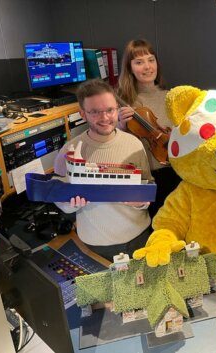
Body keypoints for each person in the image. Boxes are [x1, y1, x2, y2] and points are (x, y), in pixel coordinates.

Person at [54, 79, 153, 261]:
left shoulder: (134, 144)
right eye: (95, 112)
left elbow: (148, 185)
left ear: (117, 108)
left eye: (110, 110)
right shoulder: (69, 151)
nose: (105, 117)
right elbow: (60, 201)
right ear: (82, 114)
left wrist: (140, 201)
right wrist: (70, 204)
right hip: (97, 246)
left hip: (140, 237)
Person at [116, 39, 181, 217]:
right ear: (129, 68)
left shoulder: (171, 97)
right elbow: (116, 146)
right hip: (148, 177)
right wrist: (121, 125)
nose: (147, 67)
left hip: (177, 171)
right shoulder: (125, 102)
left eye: (151, 60)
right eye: (139, 62)